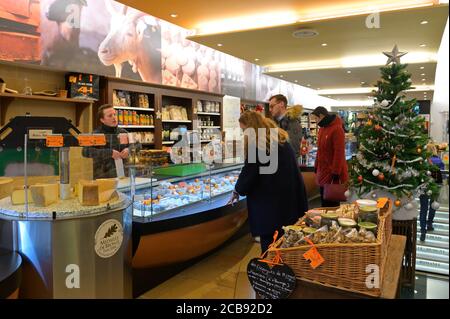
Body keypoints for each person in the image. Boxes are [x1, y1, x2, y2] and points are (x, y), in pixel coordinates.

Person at [229, 111, 308, 253]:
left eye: (243, 130)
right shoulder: (280, 139)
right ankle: (284, 272)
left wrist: (237, 190)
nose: (243, 134)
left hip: (269, 208)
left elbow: (249, 173)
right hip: (289, 203)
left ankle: (272, 272)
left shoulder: (257, 145)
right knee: (285, 243)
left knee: (270, 247)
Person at [311, 106, 349, 207]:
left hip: (332, 172)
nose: (315, 121)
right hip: (323, 171)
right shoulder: (322, 129)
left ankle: (332, 222)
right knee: (324, 198)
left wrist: (336, 172)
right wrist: (316, 165)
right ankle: (325, 221)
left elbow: (339, 152)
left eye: (316, 118)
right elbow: (320, 150)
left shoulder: (337, 129)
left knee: (331, 200)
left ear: (322, 116)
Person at [82, 104, 130, 179]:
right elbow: (85, 151)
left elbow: (138, 145)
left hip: (123, 175)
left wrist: (129, 150)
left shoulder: (123, 132)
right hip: (103, 176)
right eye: (110, 116)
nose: (114, 117)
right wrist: (109, 153)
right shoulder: (96, 134)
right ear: (102, 120)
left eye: (114, 114)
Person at [419, 143, 444, 241]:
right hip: (436, 186)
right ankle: (429, 224)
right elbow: (442, 174)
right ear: (434, 150)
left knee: (423, 209)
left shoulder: (422, 161)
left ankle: (422, 232)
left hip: (424, 187)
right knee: (433, 206)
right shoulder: (439, 161)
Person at [269, 94, 303, 161]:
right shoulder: (277, 123)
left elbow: (293, 149)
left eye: (272, 106)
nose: (270, 110)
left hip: (287, 166)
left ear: (281, 104)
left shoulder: (292, 122)